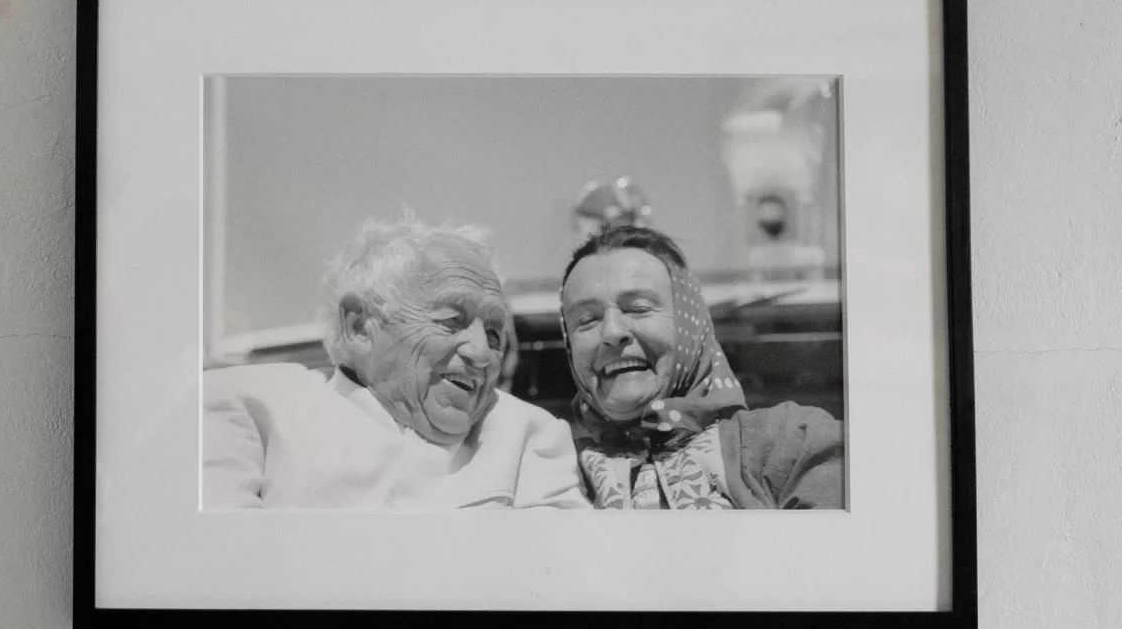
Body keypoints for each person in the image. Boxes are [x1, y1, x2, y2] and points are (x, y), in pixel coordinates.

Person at [203, 217, 588, 509]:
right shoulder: (254, 407)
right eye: (451, 321)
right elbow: (217, 575)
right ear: (359, 327)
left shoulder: (528, 434)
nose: (482, 354)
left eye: (493, 334)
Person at [557, 225, 844, 509]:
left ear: (690, 326)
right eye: (586, 320)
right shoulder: (551, 471)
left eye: (639, 308)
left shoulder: (790, 443)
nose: (611, 332)